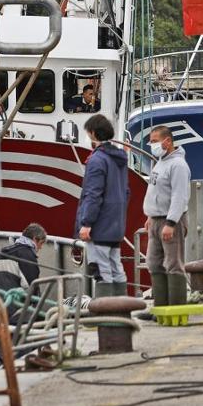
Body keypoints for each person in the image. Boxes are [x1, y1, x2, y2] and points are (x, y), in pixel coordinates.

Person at [139, 125, 191, 318]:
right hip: (156, 220)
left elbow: (179, 197)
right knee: (153, 262)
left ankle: (176, 310)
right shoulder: (160, 162)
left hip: (171, 221)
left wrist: (170, 223)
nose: (152, 145)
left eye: (154, 141)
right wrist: (150, 216)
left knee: (173, 263)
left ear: (167, 141)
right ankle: (160, 308)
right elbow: (156, 191)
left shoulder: (177, 165)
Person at [74, 115, 129, 297]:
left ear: (93, 133)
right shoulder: (120, 159)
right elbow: (126, 192)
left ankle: (106, 316)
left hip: (99, 225)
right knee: (116, 267)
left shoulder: (97, 160)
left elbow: (93, 193)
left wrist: (86, 222)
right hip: (115, 224)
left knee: (101, 269)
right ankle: (121, 310)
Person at [0, 222, 47, 297]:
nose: (40, 247)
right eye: (41, 243)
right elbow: (32, 288)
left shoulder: (1, 255)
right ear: (34, 239)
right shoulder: (28, 255)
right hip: (14, 304)